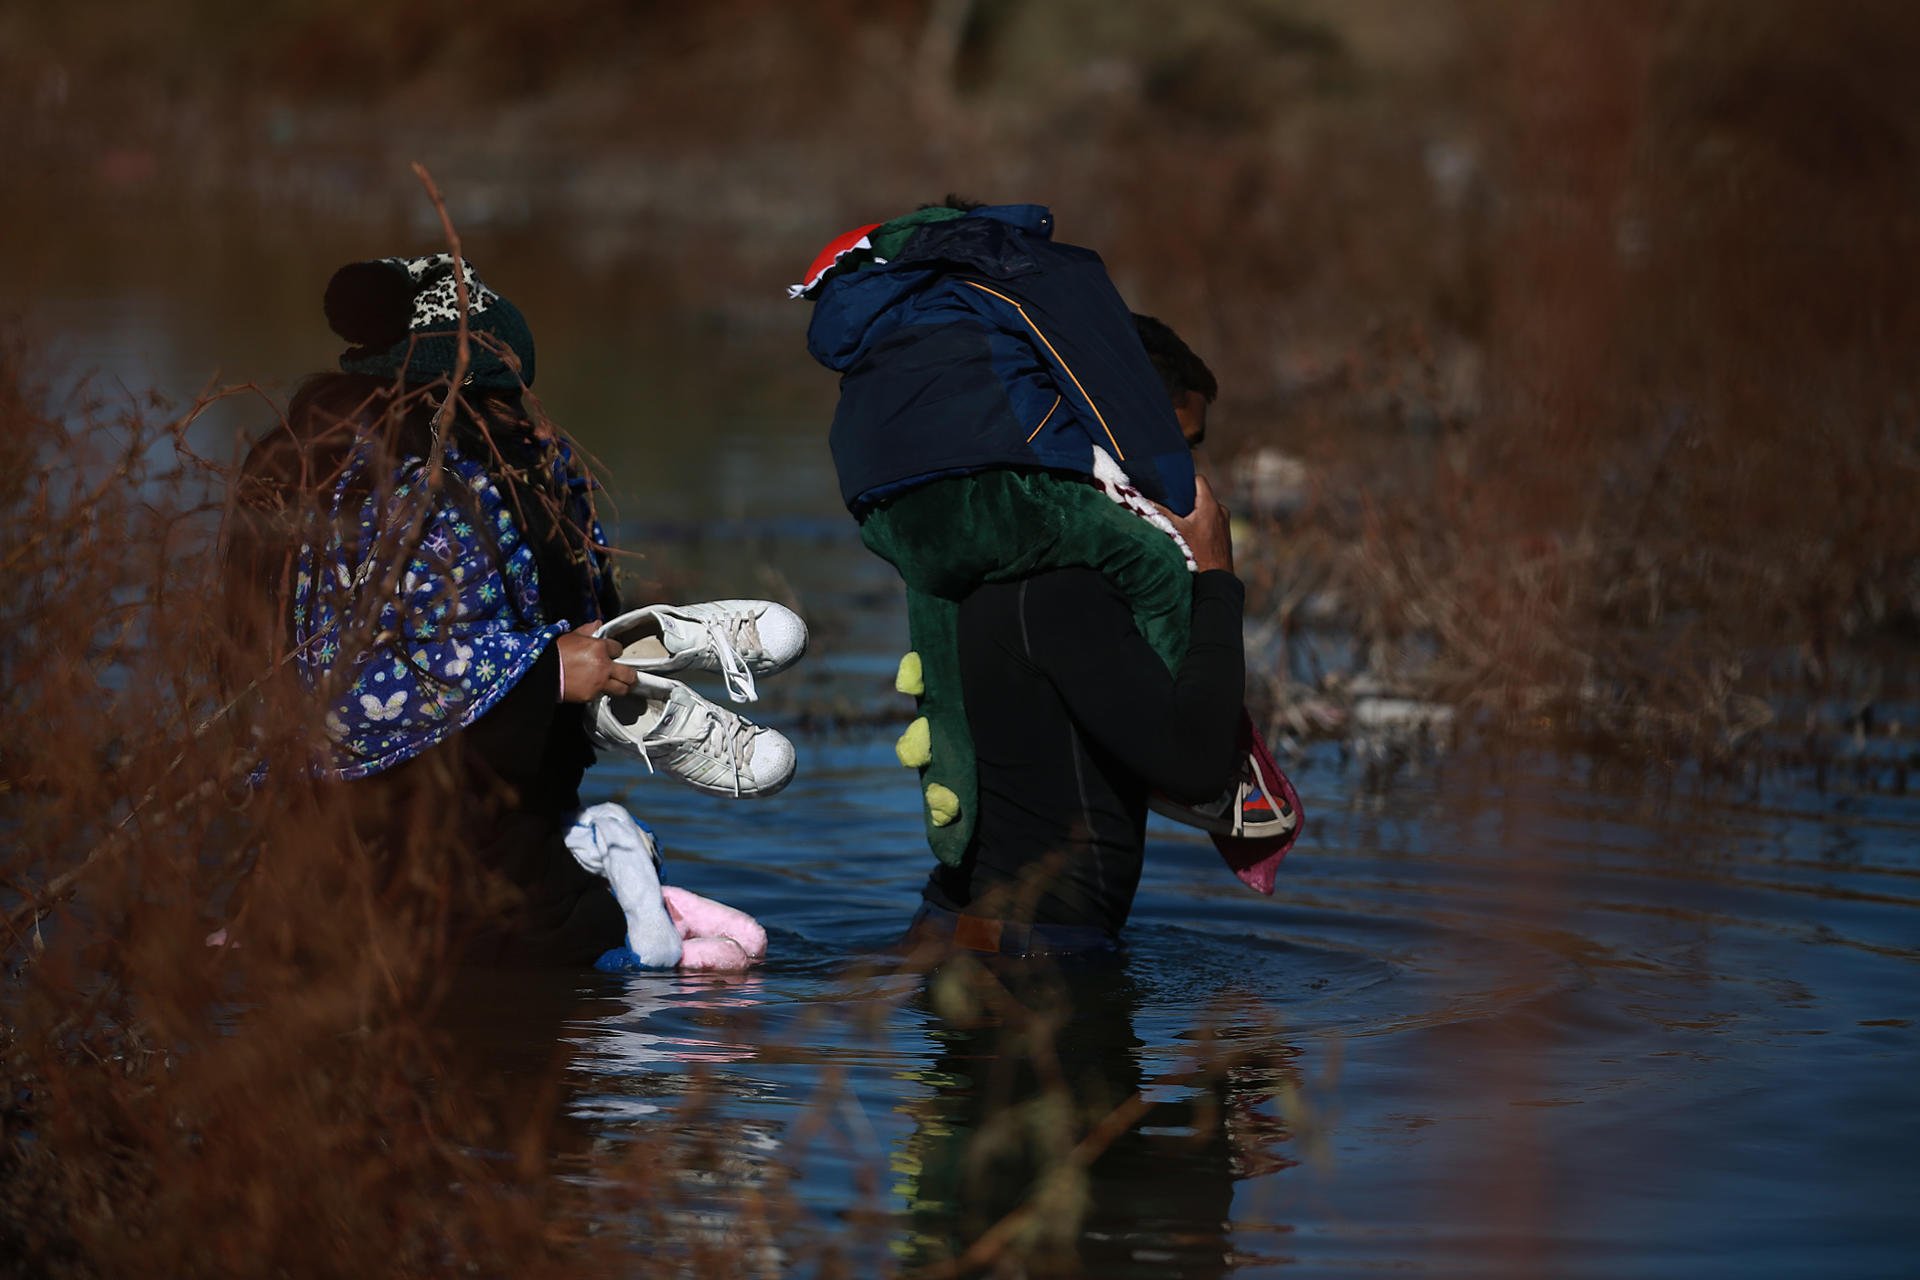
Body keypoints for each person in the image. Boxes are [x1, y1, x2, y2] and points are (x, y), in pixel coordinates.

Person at [226, 253, 794, 966]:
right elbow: (348, 686)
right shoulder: (389, 489)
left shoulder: (324, 463)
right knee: (553, 955)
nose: (524, 420)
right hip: (404, 861)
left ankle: (625, 711)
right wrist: (543, 671)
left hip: (395, 835)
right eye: (505, 399)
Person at [795, 202, 1263, 950]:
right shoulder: (1072, 582)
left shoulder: (983, 568)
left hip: (952, 928)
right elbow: (1198, 763)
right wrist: (1215, 577)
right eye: (1178, 445)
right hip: (1038, 963)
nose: (1185, 482)